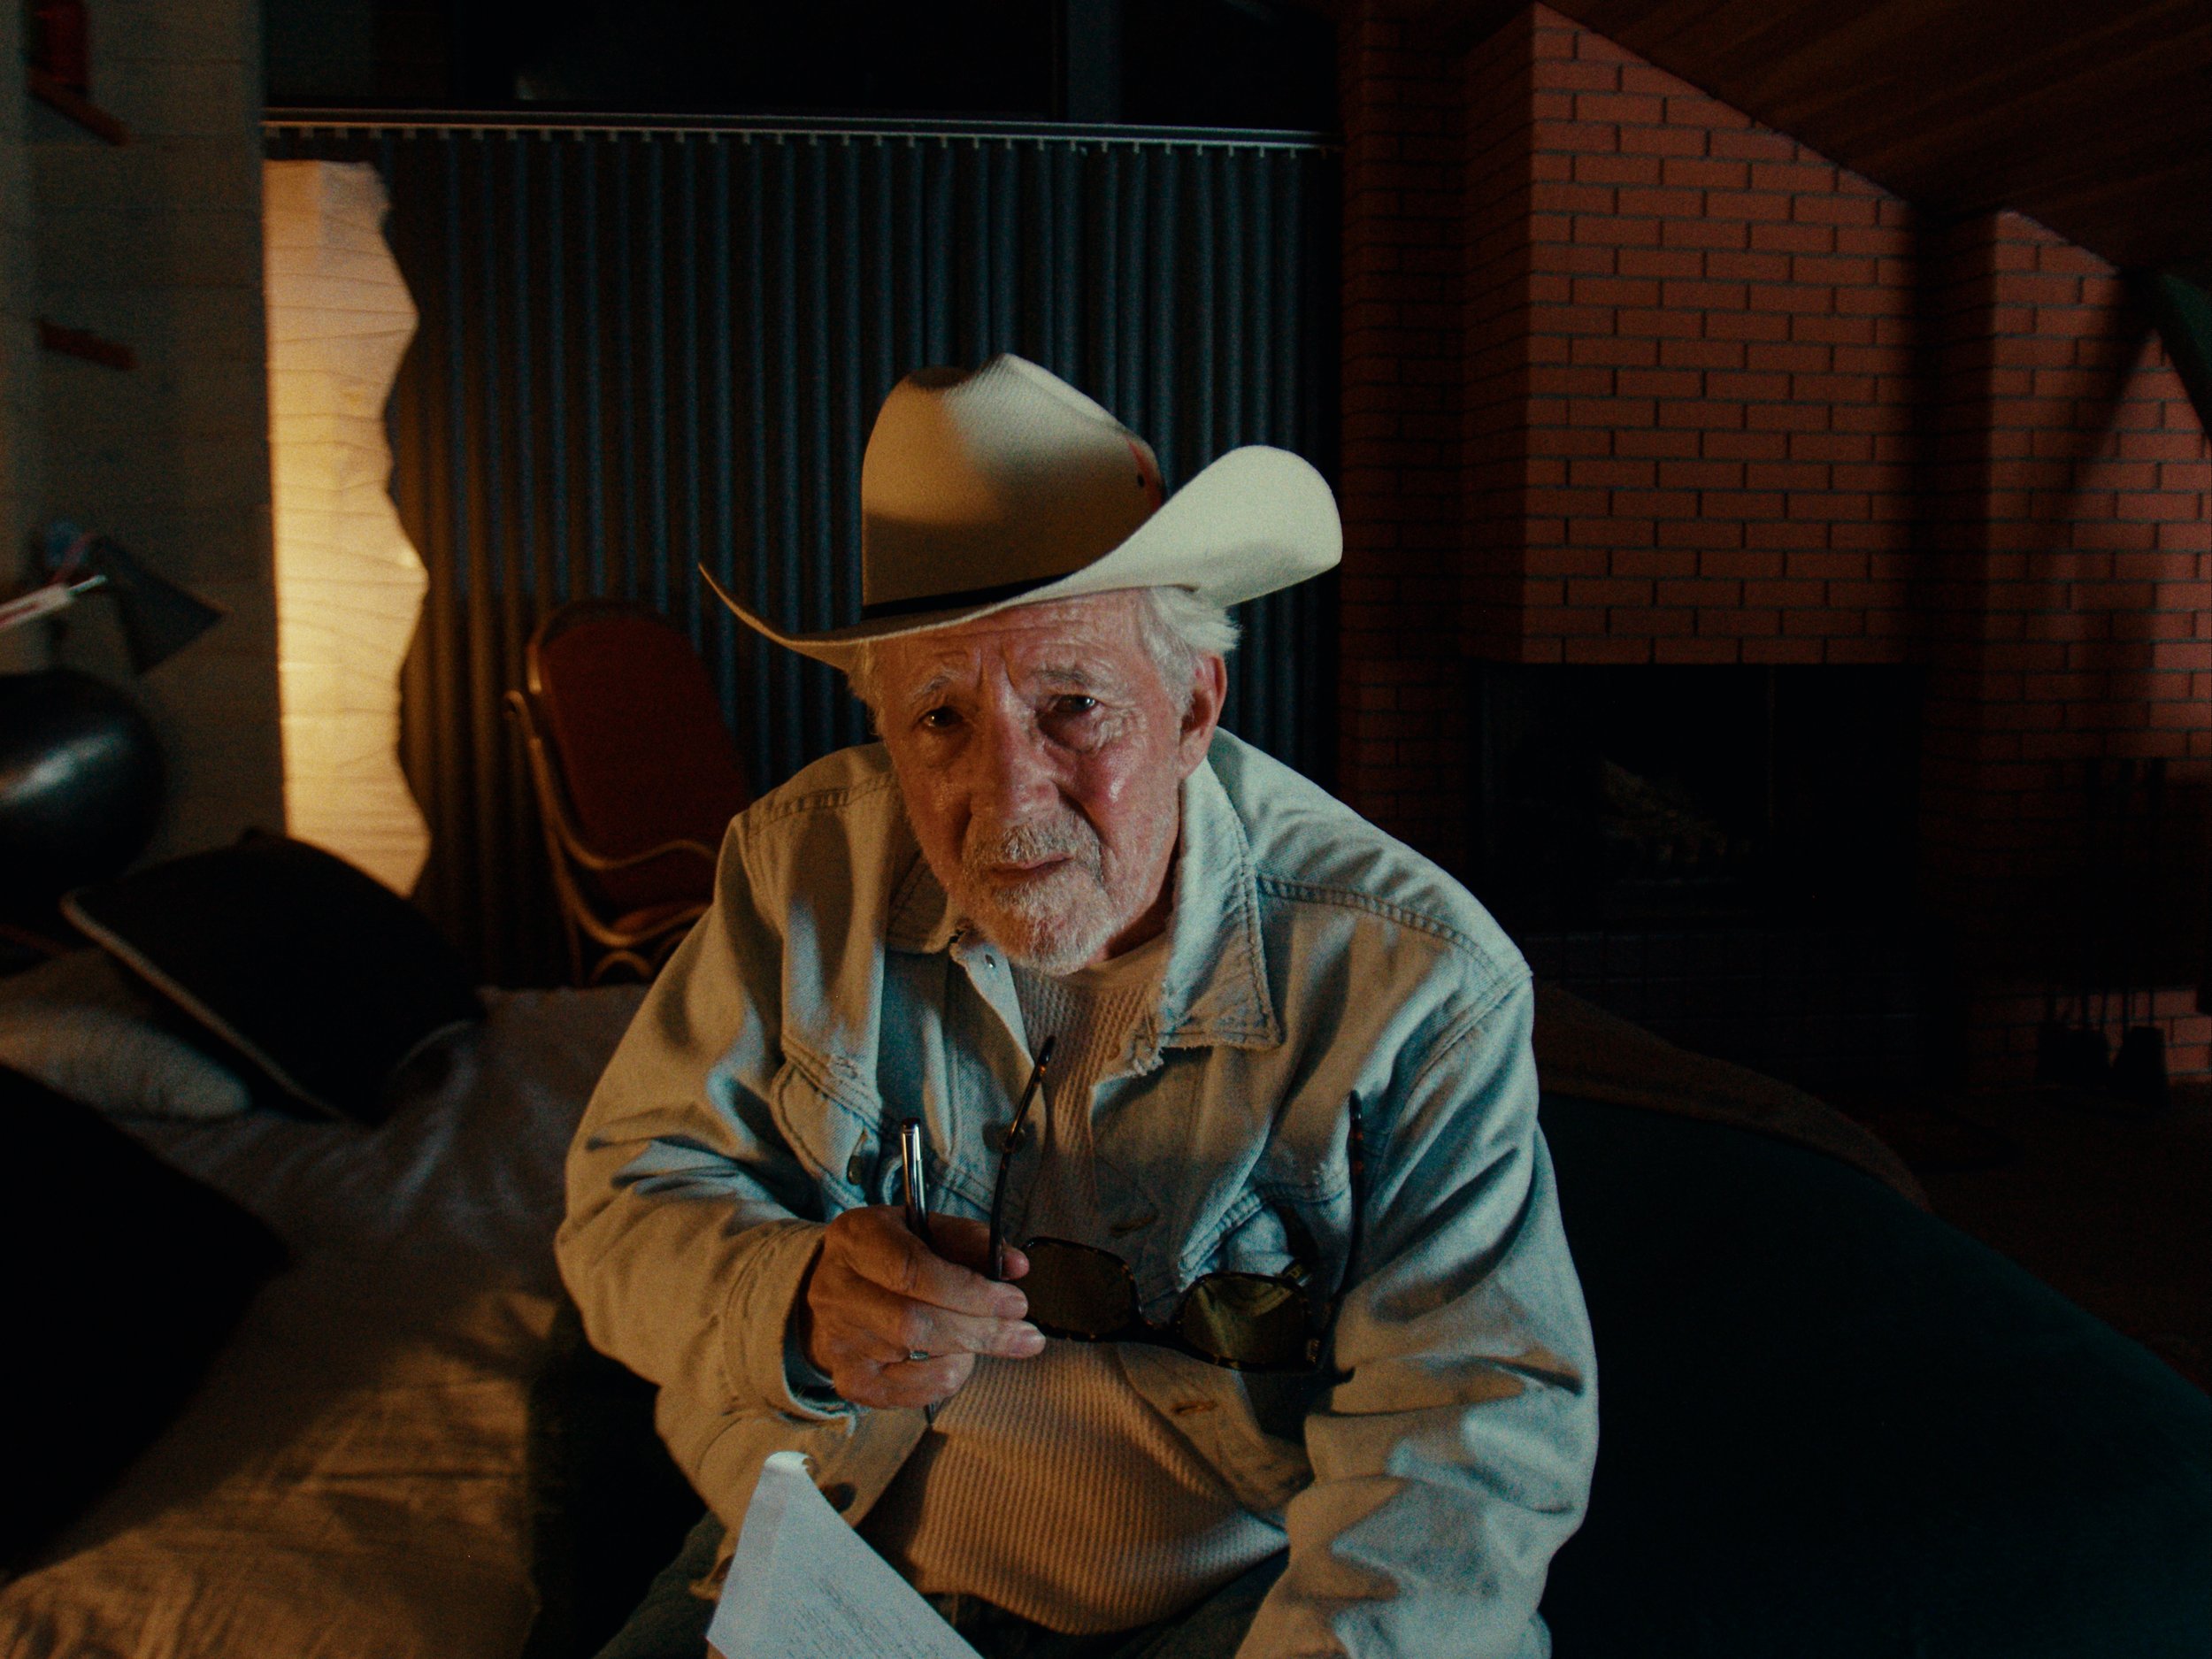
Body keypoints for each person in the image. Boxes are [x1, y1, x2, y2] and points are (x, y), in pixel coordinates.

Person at [557, 354, 1596, 1659]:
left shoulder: (1415, 979)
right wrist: (793, 1297)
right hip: (830, 1548)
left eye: (1072, 708)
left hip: (1232, 1608)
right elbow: (623, 1206)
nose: (1007, 796)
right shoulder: (793, 870)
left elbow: (1468, 1434)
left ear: (1193, 707)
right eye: (941, 718)